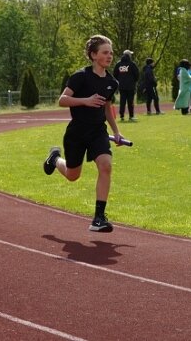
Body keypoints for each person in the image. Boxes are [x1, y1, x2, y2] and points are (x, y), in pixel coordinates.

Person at [43, 35, 125, 233]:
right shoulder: (80, 76)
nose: (110, 56)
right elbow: (62, 100)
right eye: (105, 52)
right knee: (73, 175)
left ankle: (98, 218)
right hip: (77, 132)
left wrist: (116, 131)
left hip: (98, 131)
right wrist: (85, 101)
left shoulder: (112, 82)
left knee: (105, 166)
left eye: (111, 53)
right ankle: (55, 160)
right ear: (93, 55)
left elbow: (107, 108)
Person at [113, 49, 139, 122]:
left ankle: (121, 116)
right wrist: (134, 81)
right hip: (130, 86)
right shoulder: (132, 64)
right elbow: (137, 74)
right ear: (129, 55)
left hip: (121, 86)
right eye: (130, 54)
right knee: (130, 102)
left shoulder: (118, 64)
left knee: (122, 101)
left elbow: (115, 74)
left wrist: (118, 82)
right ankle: (131, 116)